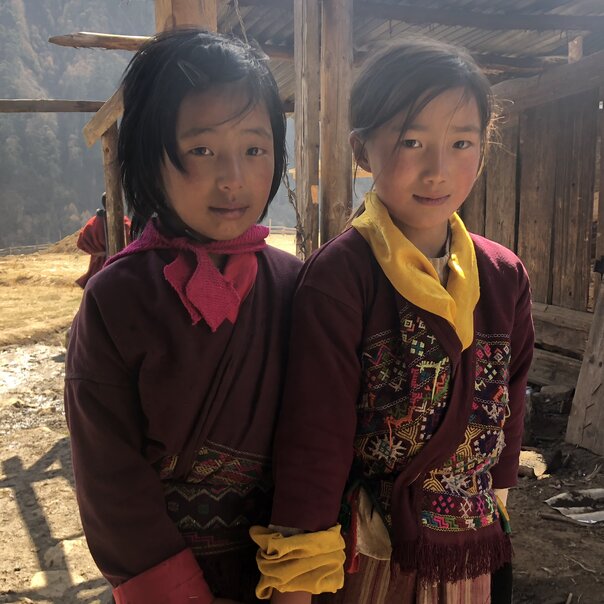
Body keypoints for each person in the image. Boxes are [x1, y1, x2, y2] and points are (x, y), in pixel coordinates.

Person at [251, 38, 534, 604]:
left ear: (483, 148)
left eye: (461, 143)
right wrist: (297, 583)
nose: (437, 170)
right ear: (362, 149)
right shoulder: (341, 278)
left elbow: (512, 398)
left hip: (471, 544)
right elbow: (315, 436)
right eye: (412, 142)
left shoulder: (503, 275)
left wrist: (497, 501)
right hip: (372, 550)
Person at [64, 29, 300, 604]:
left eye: (254, 149)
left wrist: (299, 572)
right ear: (151, 156)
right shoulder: (116, 300)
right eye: (202, 150)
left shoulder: (296, 286)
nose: (234, 178)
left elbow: (319, 437)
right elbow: (110, 478)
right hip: (168, 577)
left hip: (283, 573)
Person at [75, 192, 131, 288]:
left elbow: (81, 242)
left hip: (98, 267)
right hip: (117, 264)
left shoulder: (93, 223)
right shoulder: (124, 223)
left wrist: (95, 252)